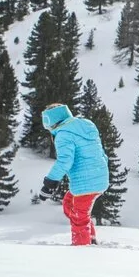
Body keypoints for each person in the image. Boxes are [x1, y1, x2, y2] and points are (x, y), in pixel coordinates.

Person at [36, 103, 110, 246]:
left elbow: (64, 162)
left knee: (79, 218)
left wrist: (49, 183)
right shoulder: (86, 124)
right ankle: (90, 238)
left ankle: (81, 249)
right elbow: (102, 153)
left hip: (86, 184)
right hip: (98, 177)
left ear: (52, 121)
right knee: (69, 203)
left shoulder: (63, 134)